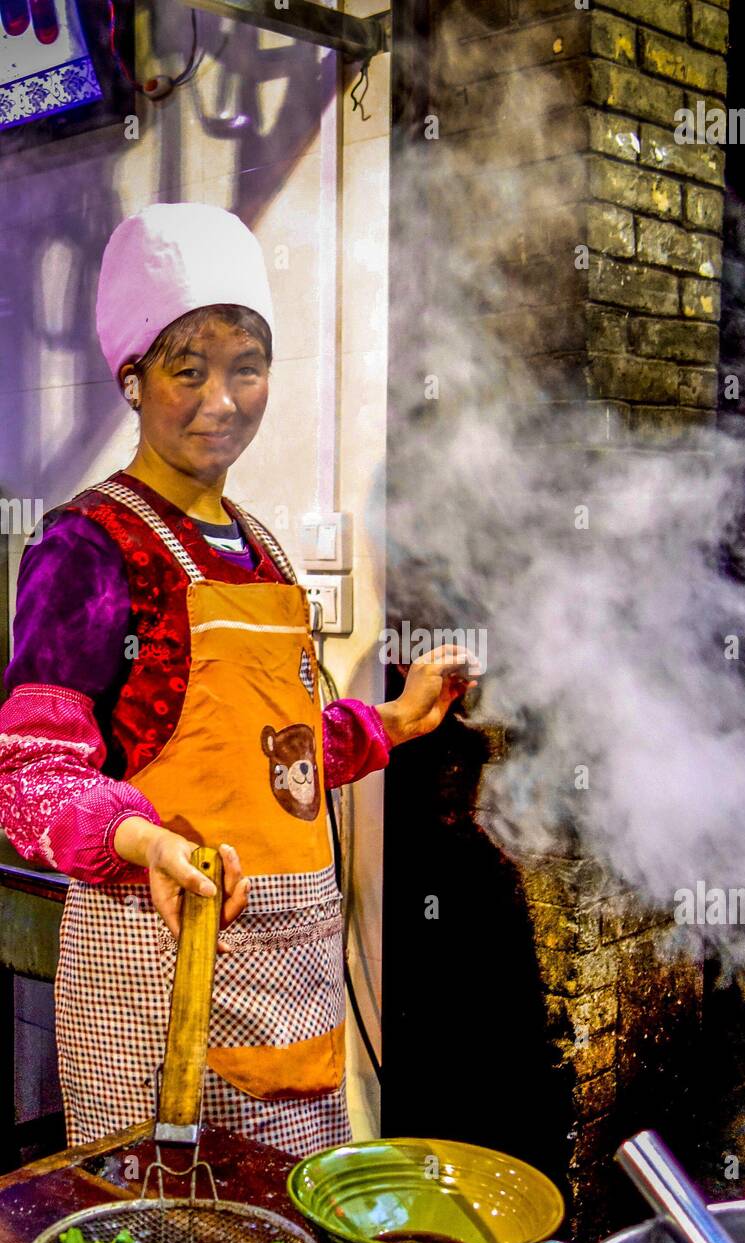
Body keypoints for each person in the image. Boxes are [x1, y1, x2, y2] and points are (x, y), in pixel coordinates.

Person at [0, 202, 478, 1155]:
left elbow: (283, 754)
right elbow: (27, 778)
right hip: (160, 974)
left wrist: (397, 720)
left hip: (293, 983)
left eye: (246, 368)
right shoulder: (89, 548)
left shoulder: (258, 548)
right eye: (189, 370)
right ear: (132, 379)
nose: (222, 401)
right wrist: (141, 838)